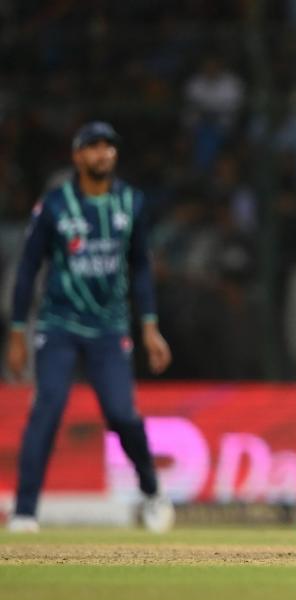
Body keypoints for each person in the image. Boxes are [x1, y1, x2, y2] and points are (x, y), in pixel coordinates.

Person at [5, 122, 174, 533]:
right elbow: (28, 269)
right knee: (47, 409)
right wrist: (16, 332)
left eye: (109, 147)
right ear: (77, 156)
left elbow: (140, 269)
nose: (104, 154)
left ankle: (152, 493)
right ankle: (25, 512)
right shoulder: (55, 205)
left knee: (122, 414)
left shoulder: (131, 202)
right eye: (94, 147)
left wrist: (149, 327)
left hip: (109, 327)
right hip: (58, 324)